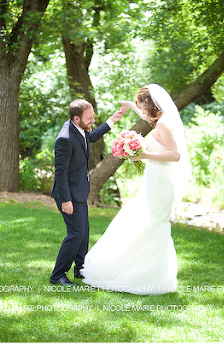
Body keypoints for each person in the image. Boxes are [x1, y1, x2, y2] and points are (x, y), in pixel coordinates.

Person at [80, 84, 191, 295]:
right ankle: (137, 268)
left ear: (149, 102)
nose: (142, 111)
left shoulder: (164, 124)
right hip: (153, 178)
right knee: (143, 220)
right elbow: (144, 116)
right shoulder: (161, 119)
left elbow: (175, 154)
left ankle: (148, 274)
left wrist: (144, 155)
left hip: (160, 182)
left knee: (154, 223)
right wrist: (130, 105)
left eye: (141, 105)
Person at [50, 99, 127, 286]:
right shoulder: (65, 139)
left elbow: (90, 137)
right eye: (89, 117)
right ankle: (58, 275)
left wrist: (112, 120)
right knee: (76, 234)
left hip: (79, 191)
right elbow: (60, 173)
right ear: (77, 118)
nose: (93, 120)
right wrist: (66, 200)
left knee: (83, 233)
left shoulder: (79, 128)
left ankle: (81, 270)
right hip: (67, 194)